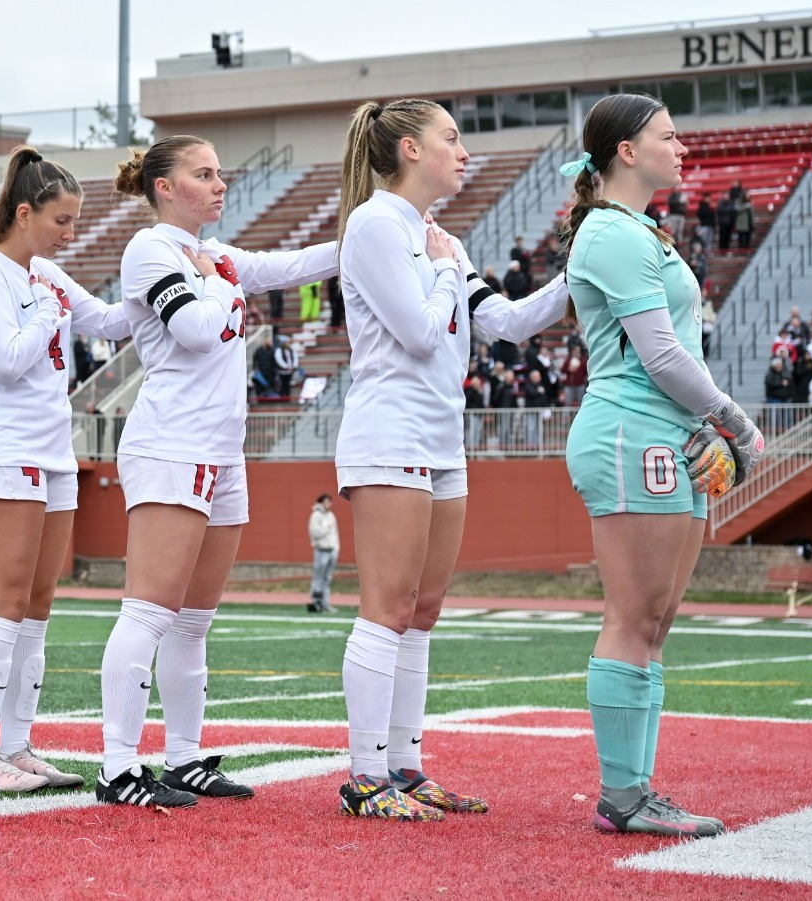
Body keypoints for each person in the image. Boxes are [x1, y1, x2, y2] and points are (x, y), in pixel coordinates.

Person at [331, 98, 569, 822]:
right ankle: (366, 776)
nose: (464, 151)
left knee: (423, 609)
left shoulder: (438, 238)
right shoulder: (373, 224)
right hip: (390, 432)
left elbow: (507, 322)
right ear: (409, 148)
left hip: (440, 438)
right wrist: (440, 273)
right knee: (387, 607)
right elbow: (416, 331)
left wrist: (578, 270)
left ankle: (406, 766)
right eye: (452, 137)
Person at [95, 134, 337, 810]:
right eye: (204, 174)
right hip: (172, 444)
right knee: (148, 611)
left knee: (194, 621)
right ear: (165, 186)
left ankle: (183, 756)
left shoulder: (216, 254)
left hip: (221, 451)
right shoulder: (151, 249)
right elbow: (198, 329)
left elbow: (288, 267)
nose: (220, 183)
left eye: (220, 172)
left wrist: (372, 230)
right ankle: (117, 767)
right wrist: (219, 284)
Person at [562, 92, 762, 838]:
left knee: (656, 618)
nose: (681, 149)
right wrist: (734, 421)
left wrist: (703, 427)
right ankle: (623, 794)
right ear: (626, 150)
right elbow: (662, 354)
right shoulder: (612, 233)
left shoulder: (639, 230)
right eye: (668, 137)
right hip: (629, 431)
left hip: (665, 435)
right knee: (633, 615)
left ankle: (636, 789)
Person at [0, 147, 133, 793]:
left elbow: (109, 319)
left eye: (76, 219)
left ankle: (19, 743)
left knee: (39, 602)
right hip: (4, 444)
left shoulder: (46, 272)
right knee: (3, 599)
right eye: (61, 218)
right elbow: (3, 360)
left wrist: (165, 286)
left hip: (52, 448)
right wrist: (53, 313)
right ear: (24, 212)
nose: (70, 232)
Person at [307, 494, 338, 614]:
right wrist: (327, 528)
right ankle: (316, 602)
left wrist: (336, 548)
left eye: (330, 502)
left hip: (331, 550)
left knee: (327, 578)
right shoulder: (316, 515)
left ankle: (325, 603)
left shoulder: (331, 516)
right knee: (318, 578)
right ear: (321, 503)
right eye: (327, 502)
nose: (329, 504)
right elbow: (315, 533)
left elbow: (335, 534)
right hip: (321, 550)